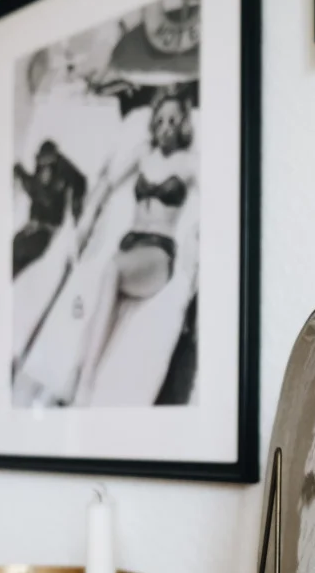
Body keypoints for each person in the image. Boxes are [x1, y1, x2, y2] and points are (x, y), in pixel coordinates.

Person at [71, 85, 197, 406]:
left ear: (184, 124)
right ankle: (78, 375)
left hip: (158, 251)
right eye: (161, 120)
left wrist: (198, 240)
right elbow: (109, 182)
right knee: (98, 291)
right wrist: (87, 217)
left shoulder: (189, 163)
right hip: (130, 244)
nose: (166, 127)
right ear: (153, 124)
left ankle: (85, 383)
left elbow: (220, 201)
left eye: (173, 120)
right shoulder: (143, 154)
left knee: (112, 270)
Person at [12, 141, 87, 278]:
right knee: (14, 245)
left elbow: (80, 181)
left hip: (47, 228)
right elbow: (34, 189)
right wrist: (20, 172)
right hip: (33, 225)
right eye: (42, 163)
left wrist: (77, 206)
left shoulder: (62, 166)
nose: (44, 168)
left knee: (21, 249)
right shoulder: (40, 168)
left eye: (47, 163)